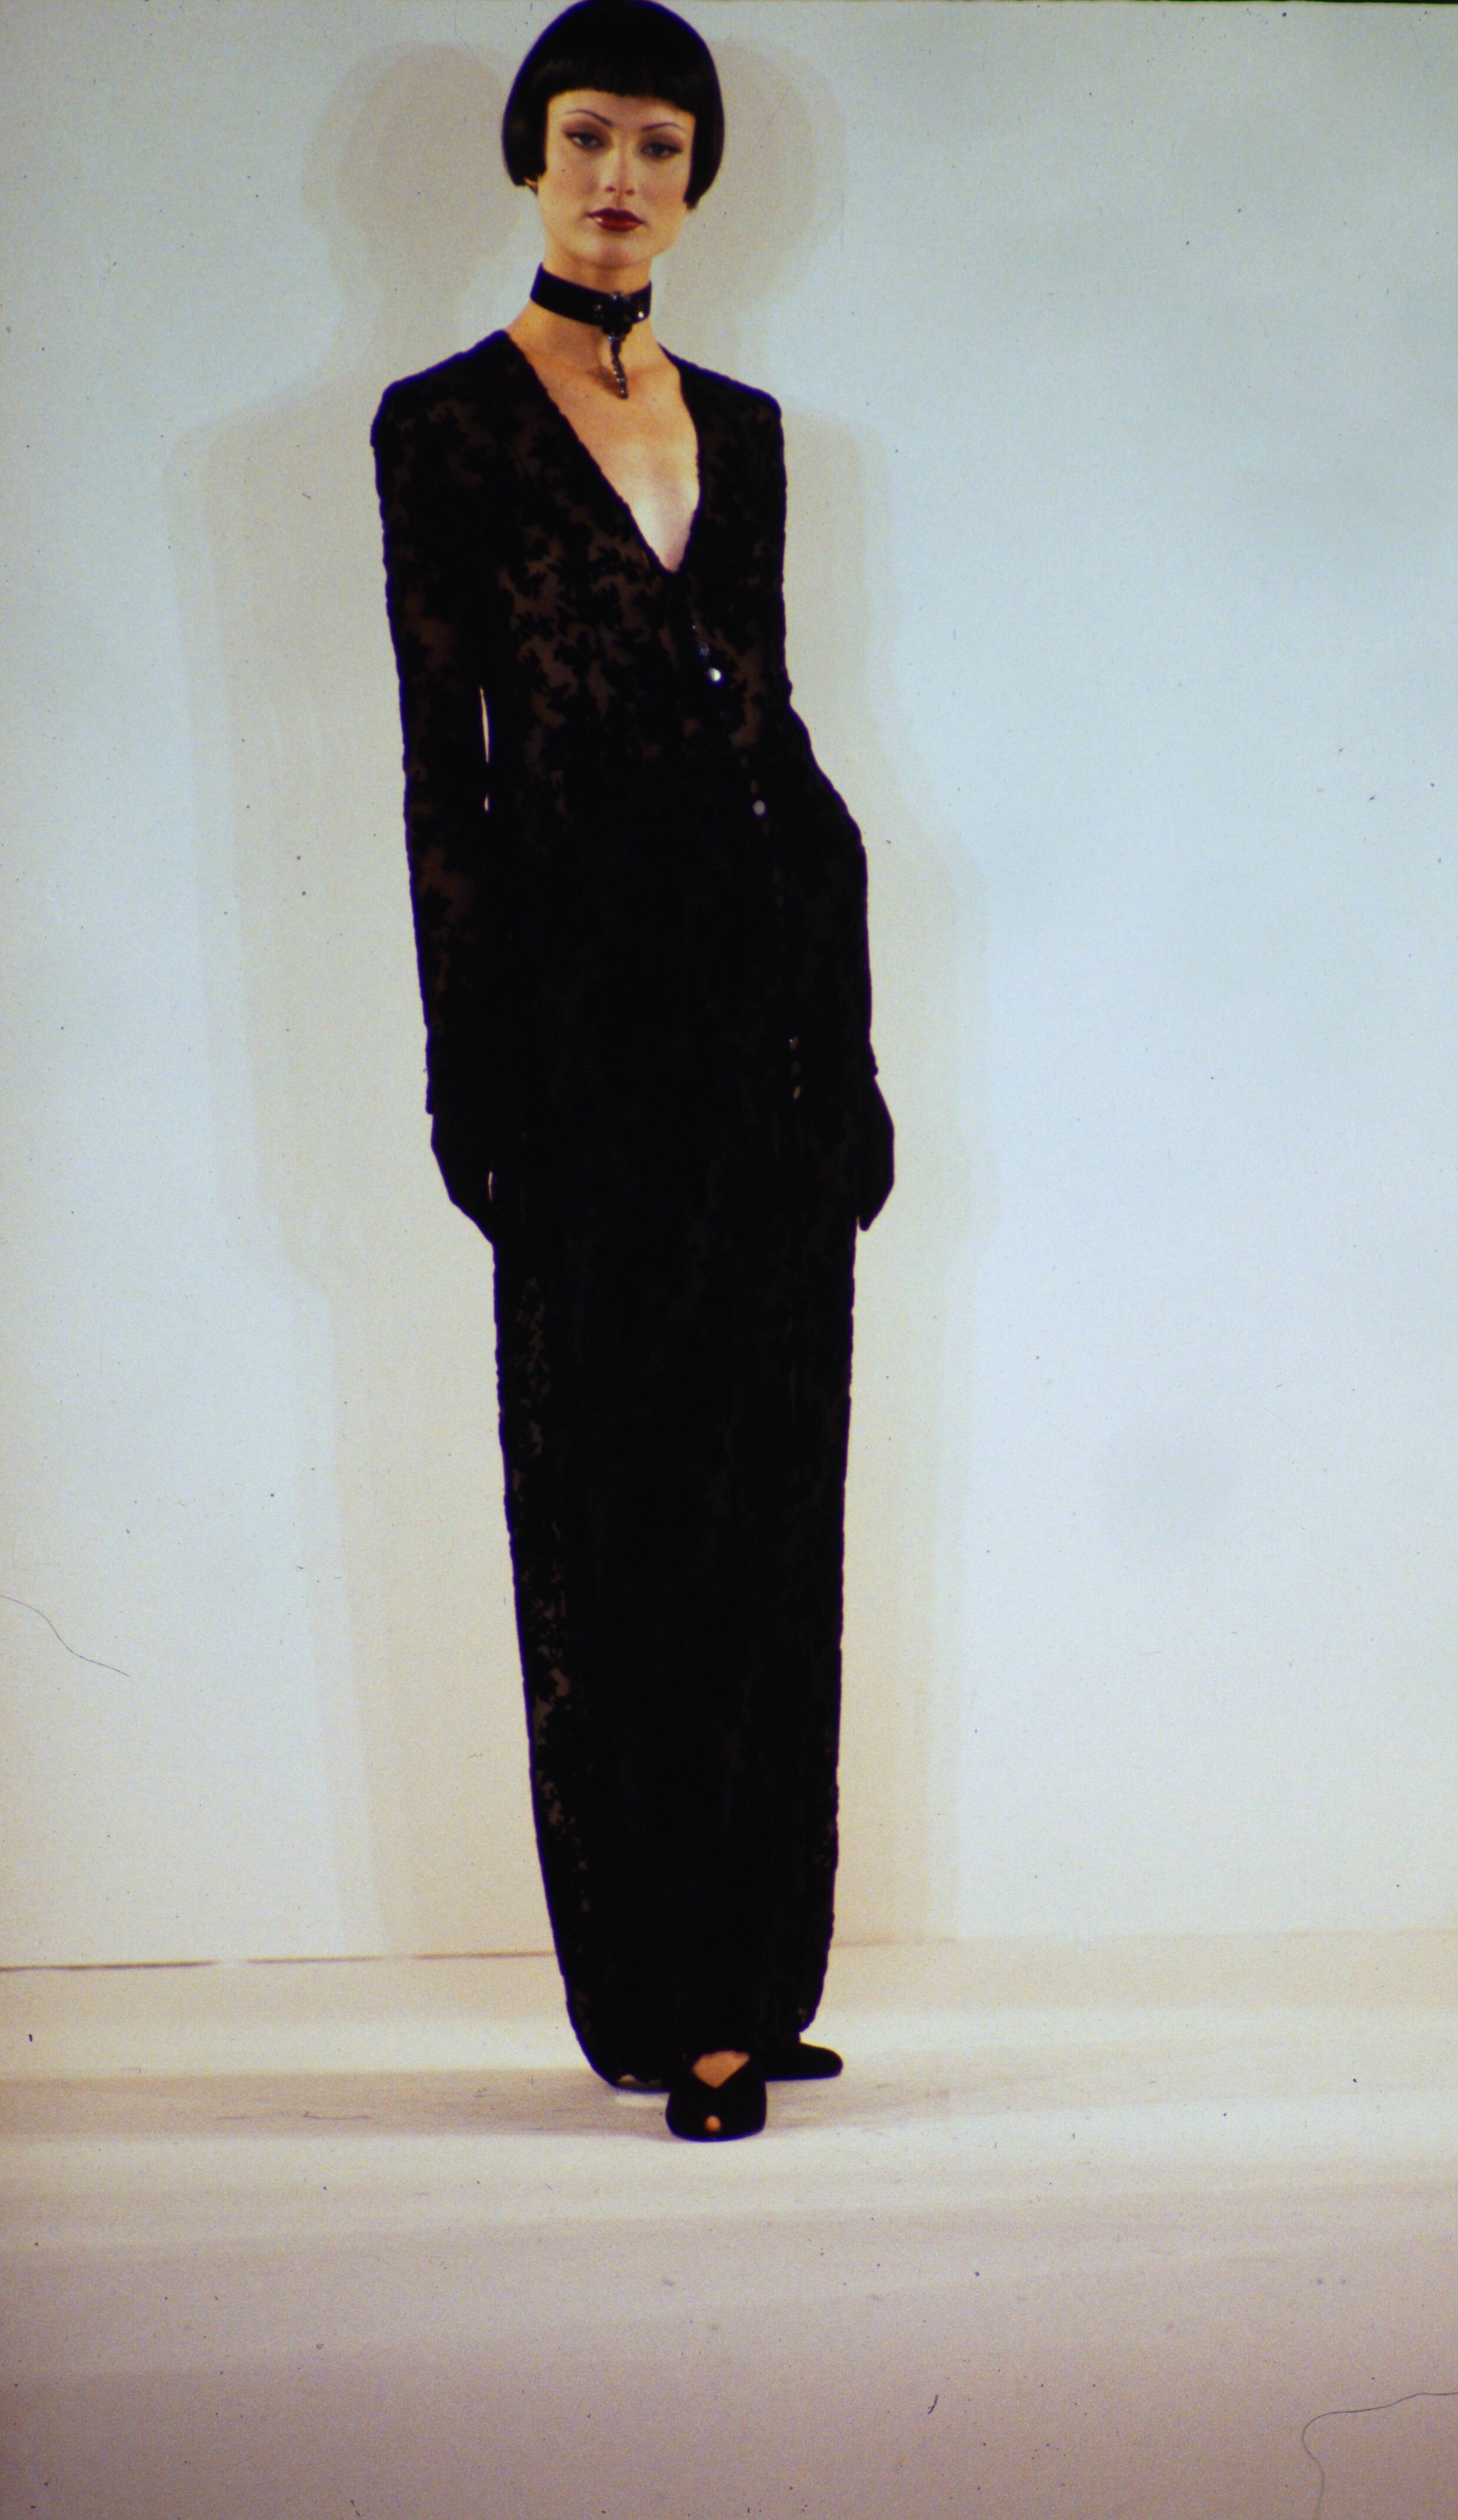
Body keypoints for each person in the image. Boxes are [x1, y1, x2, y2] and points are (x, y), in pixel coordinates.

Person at [370, 0, 894, 2142]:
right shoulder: (441, 428)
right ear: (529, 153)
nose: (619, 178)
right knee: (629, 1504)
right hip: (588, 1035)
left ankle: (757, 1979)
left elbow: (775, 738)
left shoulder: (744, 431)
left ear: (696, 181)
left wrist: (848, 1045)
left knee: (776, 1495)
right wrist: (468, 1072)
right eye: (587, 135)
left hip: (763, 1017)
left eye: (659, 146)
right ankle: (667, 1992)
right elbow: (448, 775)